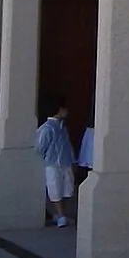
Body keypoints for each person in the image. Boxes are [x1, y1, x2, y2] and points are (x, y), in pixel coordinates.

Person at [34, 96, 77, 228]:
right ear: (59, 110)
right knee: (55, 189)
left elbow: (67, 145)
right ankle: (60, 215)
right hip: (52, 164)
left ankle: (61, 214)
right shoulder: (47, 128)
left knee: (67, 189)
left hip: (65, 162)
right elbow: (40, 147)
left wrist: (73, 160)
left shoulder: (62, 127)